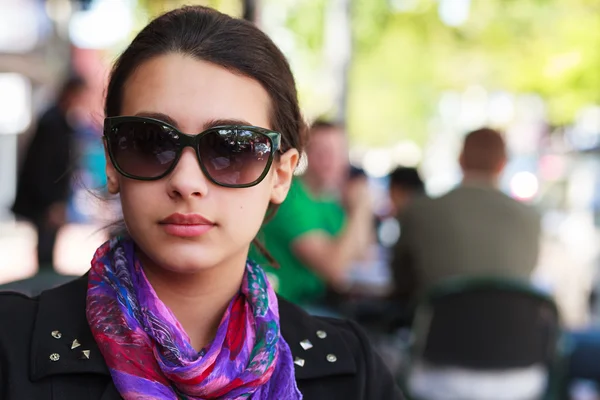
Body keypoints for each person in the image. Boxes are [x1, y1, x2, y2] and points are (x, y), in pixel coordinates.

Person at [0, 6, 403, 400]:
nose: (187, 182)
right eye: (150, 142)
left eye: (233, 148)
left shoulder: (351, 370)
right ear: (111, 163)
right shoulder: (10, 346)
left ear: (280, 176)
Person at [391, 127, 541, 301]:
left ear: (460, 160)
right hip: (510, 326)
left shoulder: (420, 210)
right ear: (502, 165)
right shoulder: (530, 218)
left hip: (439, 325)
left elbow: (401, 282)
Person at [250, 120, 374, 307]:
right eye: (322, 152)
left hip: (314, 302)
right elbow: (334, 267)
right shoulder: (289, 197)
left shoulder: (329, 201)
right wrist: (361, 207)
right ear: (305, 153)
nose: (330, 160)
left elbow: (364, 254)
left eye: (338, 152)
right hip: (280, 307)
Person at [12, 76, 89, 270]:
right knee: (46, 248)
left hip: (47, 198)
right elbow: (43, 167)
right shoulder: (53, 123)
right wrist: (51, 203)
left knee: (48, 246)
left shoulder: (59, 121)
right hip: (44, 200)